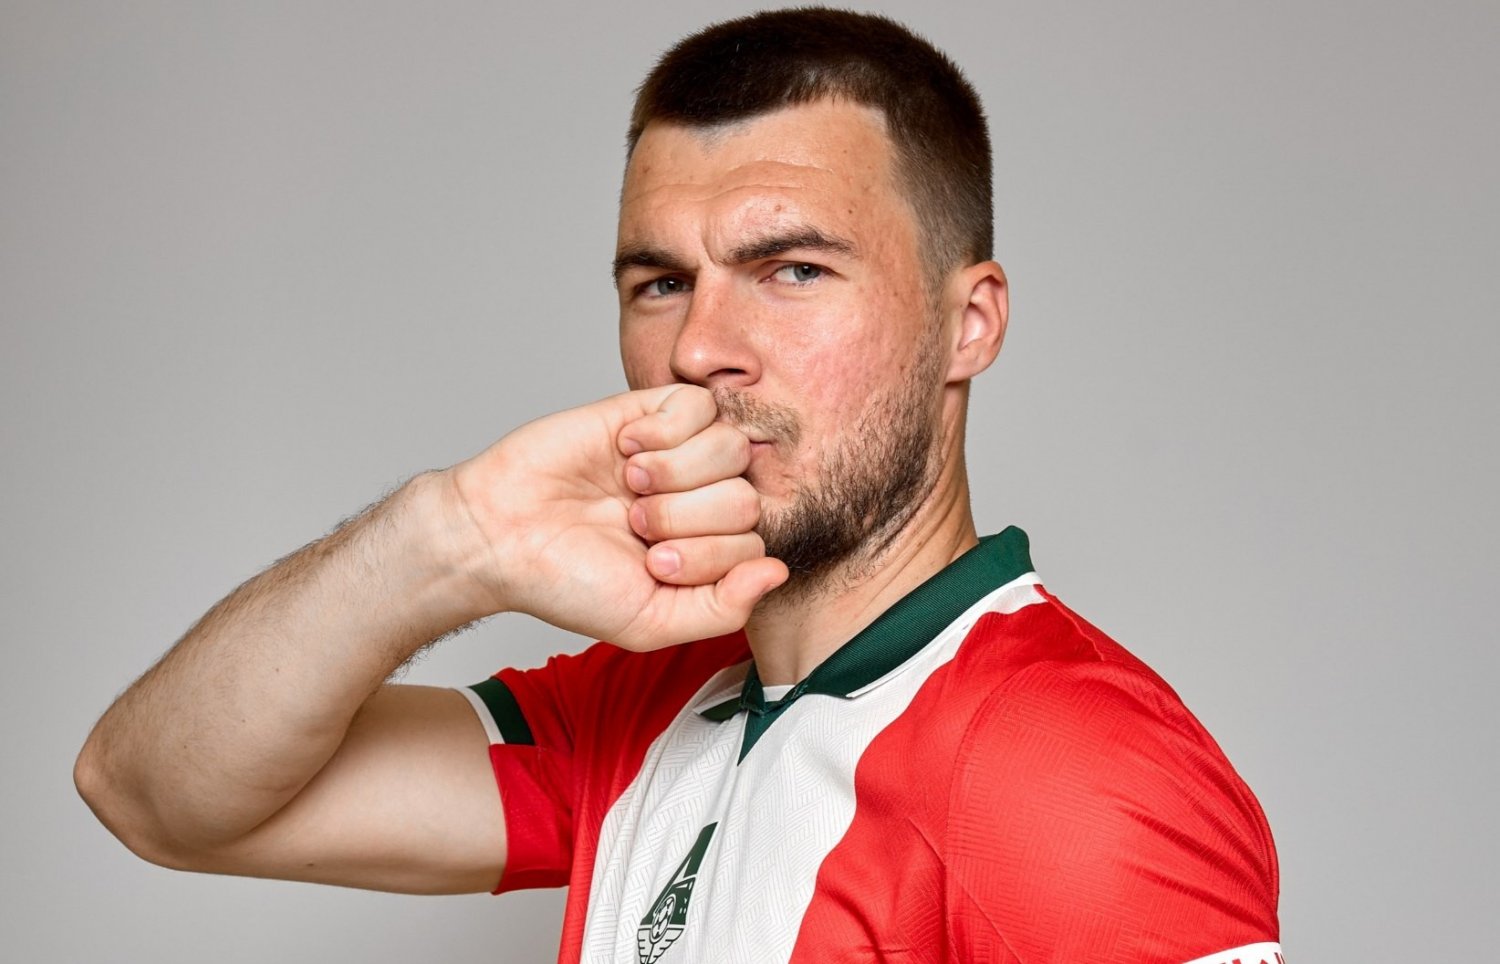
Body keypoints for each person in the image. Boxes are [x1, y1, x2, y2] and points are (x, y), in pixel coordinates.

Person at [75, 9, 1282, 964]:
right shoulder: (638, 708)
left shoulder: (1076, 778)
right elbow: (152, 793)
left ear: (968, 323)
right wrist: (452, 536)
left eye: (792, 269)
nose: (701, 348)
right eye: (660, 284)